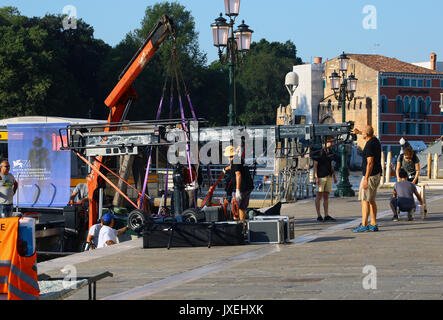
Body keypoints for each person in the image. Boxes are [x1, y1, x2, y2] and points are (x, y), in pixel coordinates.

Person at [352, 126, 382, 232]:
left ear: (367, 134)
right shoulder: (375, 140)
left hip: (370, 176)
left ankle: (364, 224)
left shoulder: (369, 145)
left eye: (363, 132)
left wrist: (365, 179)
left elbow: (370, 163)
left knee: (364, 200)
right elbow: (369, 134)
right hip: (377, 174)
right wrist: (359, 132)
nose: (362, 134)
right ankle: (373, 223)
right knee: (371, 200)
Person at [224, 146, 254, 222]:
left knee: (235, 209)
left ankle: (236, 227)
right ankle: (242, 225)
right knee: (242, 208)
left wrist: (237, 190)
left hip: (241, 189)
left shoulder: (235, 162)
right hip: (248, 187)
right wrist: (225, 169)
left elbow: (238, 174)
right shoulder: (239, 160)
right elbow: (234, 167)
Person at [313, 138, 338, 222]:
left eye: (332, 141)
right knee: (319, 195)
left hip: (328, 175)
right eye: (330, 141)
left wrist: (334, 176)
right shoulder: (319, 152)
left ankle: (326, 214)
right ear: (326, 142)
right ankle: (319, 215)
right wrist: (316, 176)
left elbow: (332, 165)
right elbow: (315, 165)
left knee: (326, 196)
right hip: (321, 176)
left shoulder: (330, 152)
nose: (332, 143)